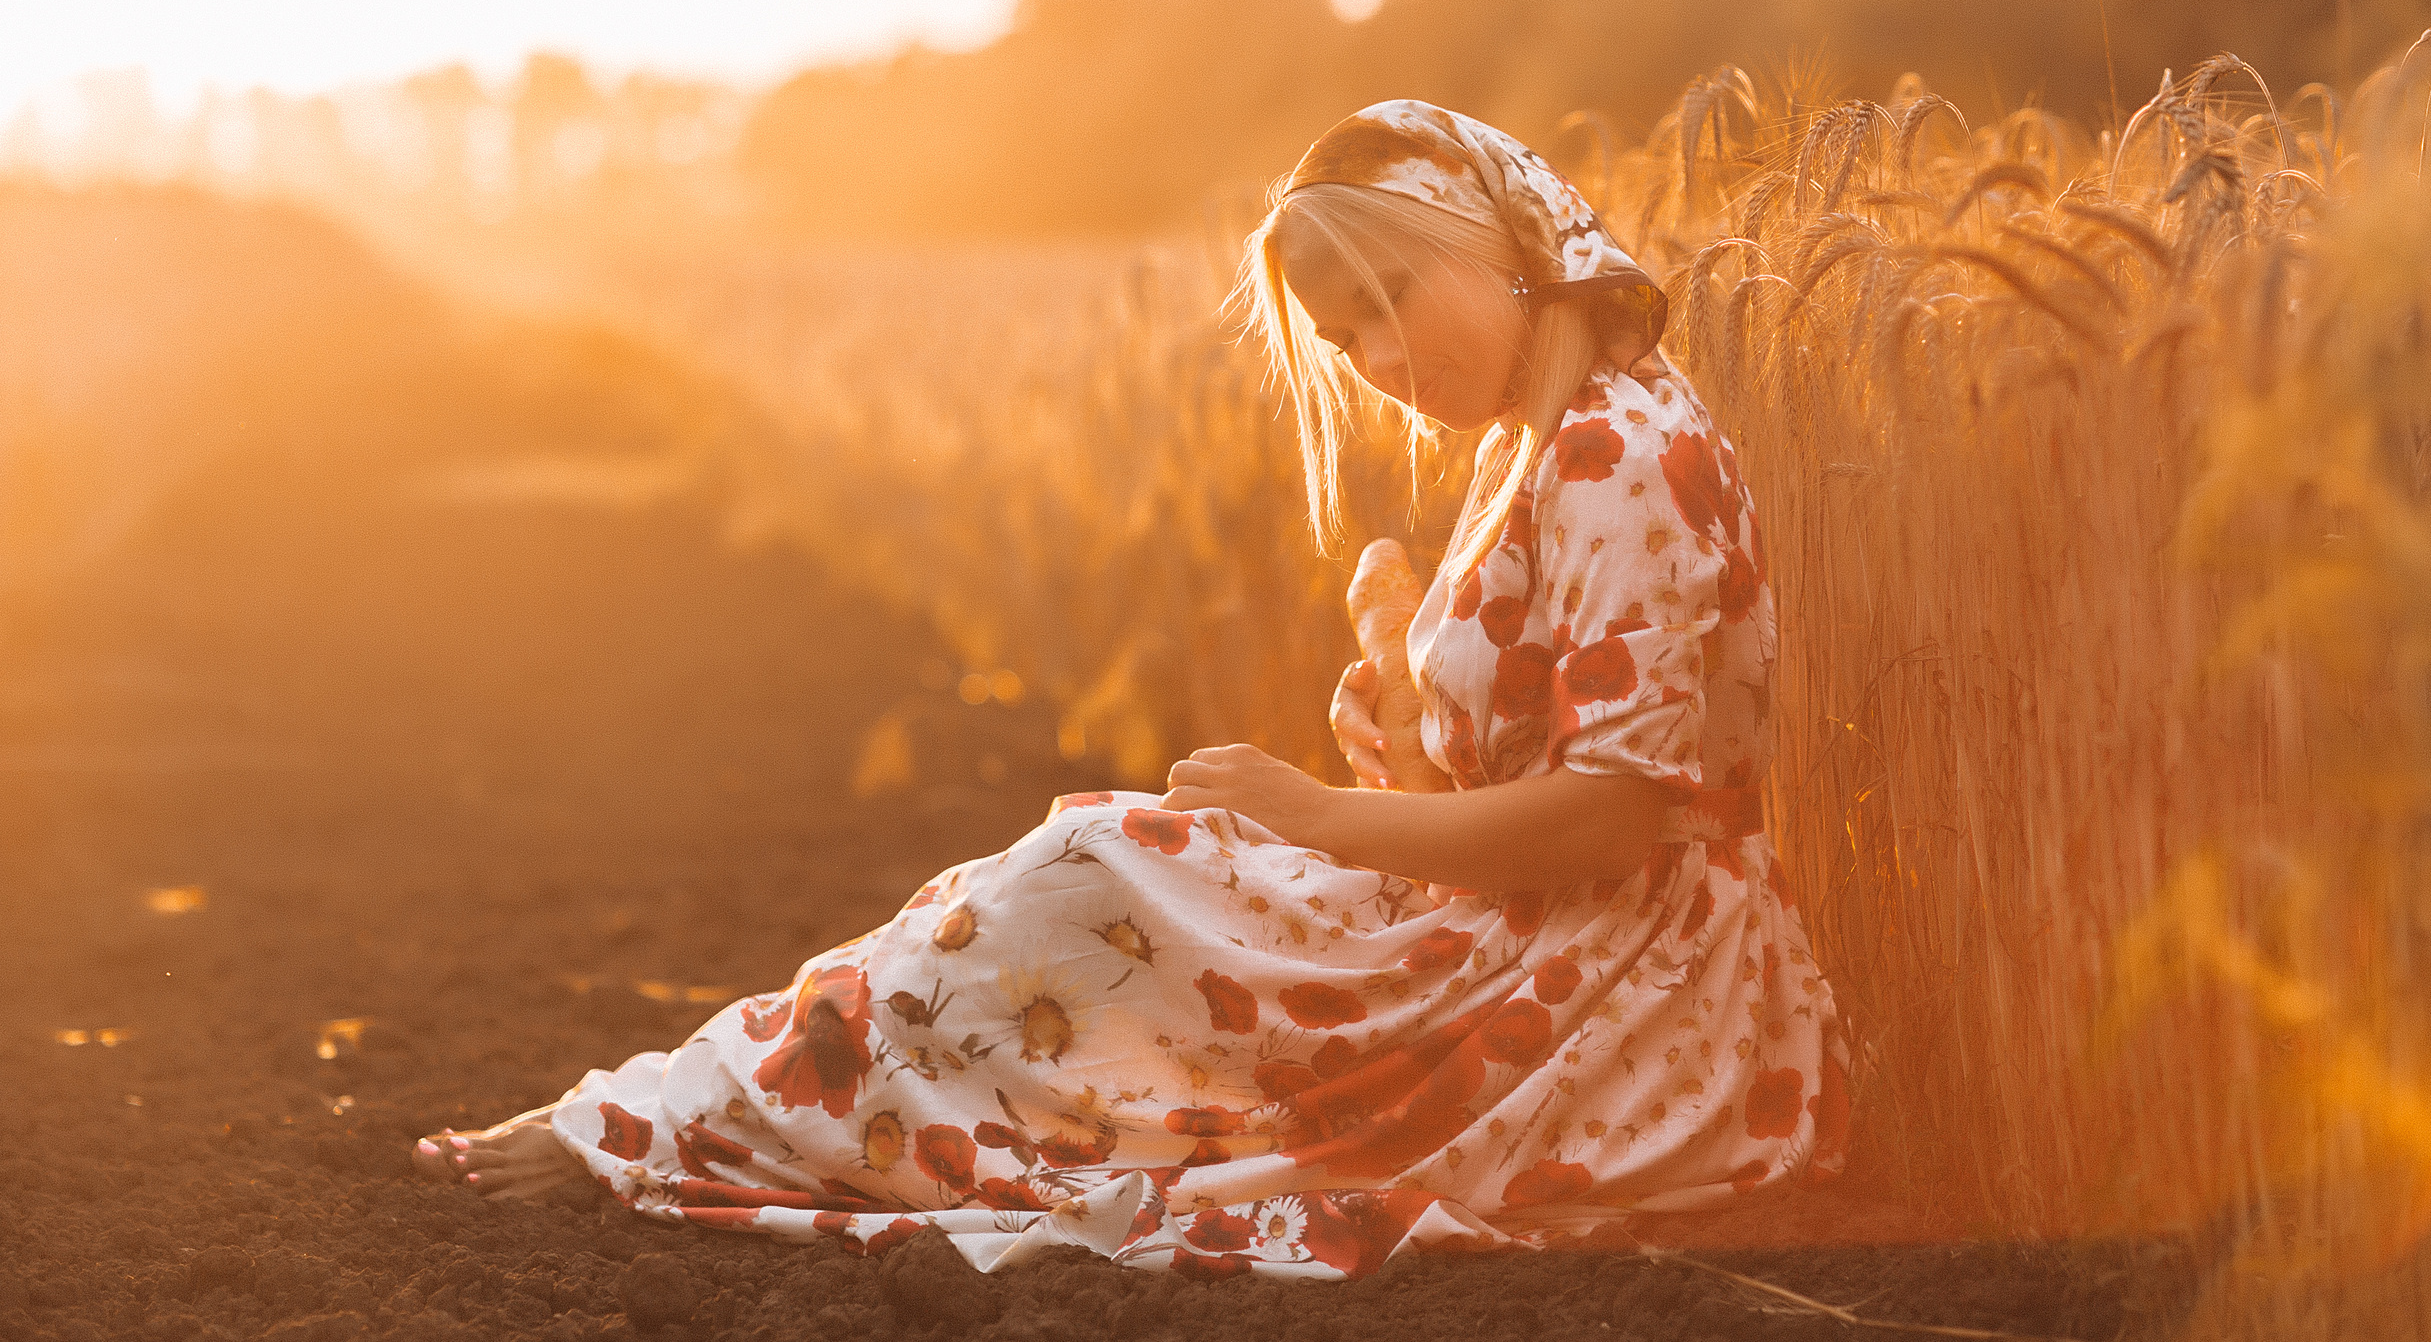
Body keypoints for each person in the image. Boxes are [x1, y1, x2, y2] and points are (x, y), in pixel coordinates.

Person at [412, 100, 1850, 1279]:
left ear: (1496, 241)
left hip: (1618, 1002)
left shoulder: (1619, 453)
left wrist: (1317, 815)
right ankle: (674, 1118)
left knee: (1087, 882)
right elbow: (1527, 780)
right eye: (1347, 336)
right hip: (1530, 944)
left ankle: (667, 1128)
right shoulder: (1544, 441)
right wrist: (1400, 687)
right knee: (1078, 882)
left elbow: (1607, 827)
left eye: (1394, 298)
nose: (1384, 360)